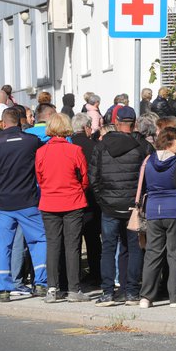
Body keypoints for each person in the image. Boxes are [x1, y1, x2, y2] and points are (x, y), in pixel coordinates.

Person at [0, 108, 47, 301]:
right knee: (38, 240)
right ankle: (41, 283)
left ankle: (2, 289)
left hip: (3, 202)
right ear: (20, 122)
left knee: (3, 245)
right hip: (28, 200)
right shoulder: (31, 141)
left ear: (3, 123)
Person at [90, 106, 149, 306]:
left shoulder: (101, 146)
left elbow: (94, 178)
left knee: (108, 248)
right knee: (134, 248)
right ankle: (131, 292)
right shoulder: (141, 146)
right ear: (134, 124)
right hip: (132, 205)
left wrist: (101, 200)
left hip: (109, 206)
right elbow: (146, 176)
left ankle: (108, 292)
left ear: (116, 123)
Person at [35, 113, 90, 302]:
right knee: (72, 246)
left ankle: (52, 288)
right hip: (73, 201)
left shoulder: (41, 152)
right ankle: (74, 289)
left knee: (52, 245)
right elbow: (84, 178)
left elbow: (40, 179)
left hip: (49, 201)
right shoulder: (75, 150)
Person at [139, 127, 176, 309]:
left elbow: (144, 186)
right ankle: (175, 297)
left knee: (153, 253)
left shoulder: (148, 161)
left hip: (153, 210)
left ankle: (146, 296)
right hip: (175, 209)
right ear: (169, 141)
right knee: (175, 254)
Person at [71, 113, 101, 284]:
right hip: (91, 198)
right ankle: (95, 272)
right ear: (86, 127)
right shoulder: (94, 146)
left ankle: (75, 273)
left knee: (73, 239)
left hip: (71, 197)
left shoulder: (69, 144)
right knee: (92, 238)